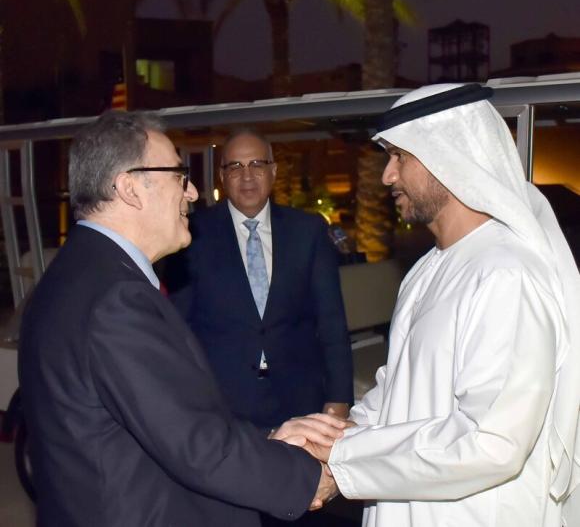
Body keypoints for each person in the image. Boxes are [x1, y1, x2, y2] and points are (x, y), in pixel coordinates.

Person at [18, 111, 344, 527]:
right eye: (178, 174)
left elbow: (167, 423)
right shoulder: (116, 298)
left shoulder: (79, 272)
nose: (191, 192)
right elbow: (197, 448)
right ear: (130, 187)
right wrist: (309, 477)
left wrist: (269, 441)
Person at [304, 84, 580, 526]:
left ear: (448, 156)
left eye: (400, 157)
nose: (387, 176)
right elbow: (400, 389)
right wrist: (331, 435)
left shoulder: (506, 273)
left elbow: (490, 442)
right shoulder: (427, 268)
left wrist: (343, 461)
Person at [168, 129, 353, 429]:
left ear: (273, 171)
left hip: (300, 398)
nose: (247, 176)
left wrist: (339, 398)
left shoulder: (308, 231)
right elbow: (179, 328)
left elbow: (331, 322)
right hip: (222, 405)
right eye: (235, 167)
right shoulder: (192, 234)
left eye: (257, 164)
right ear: (222, 176)